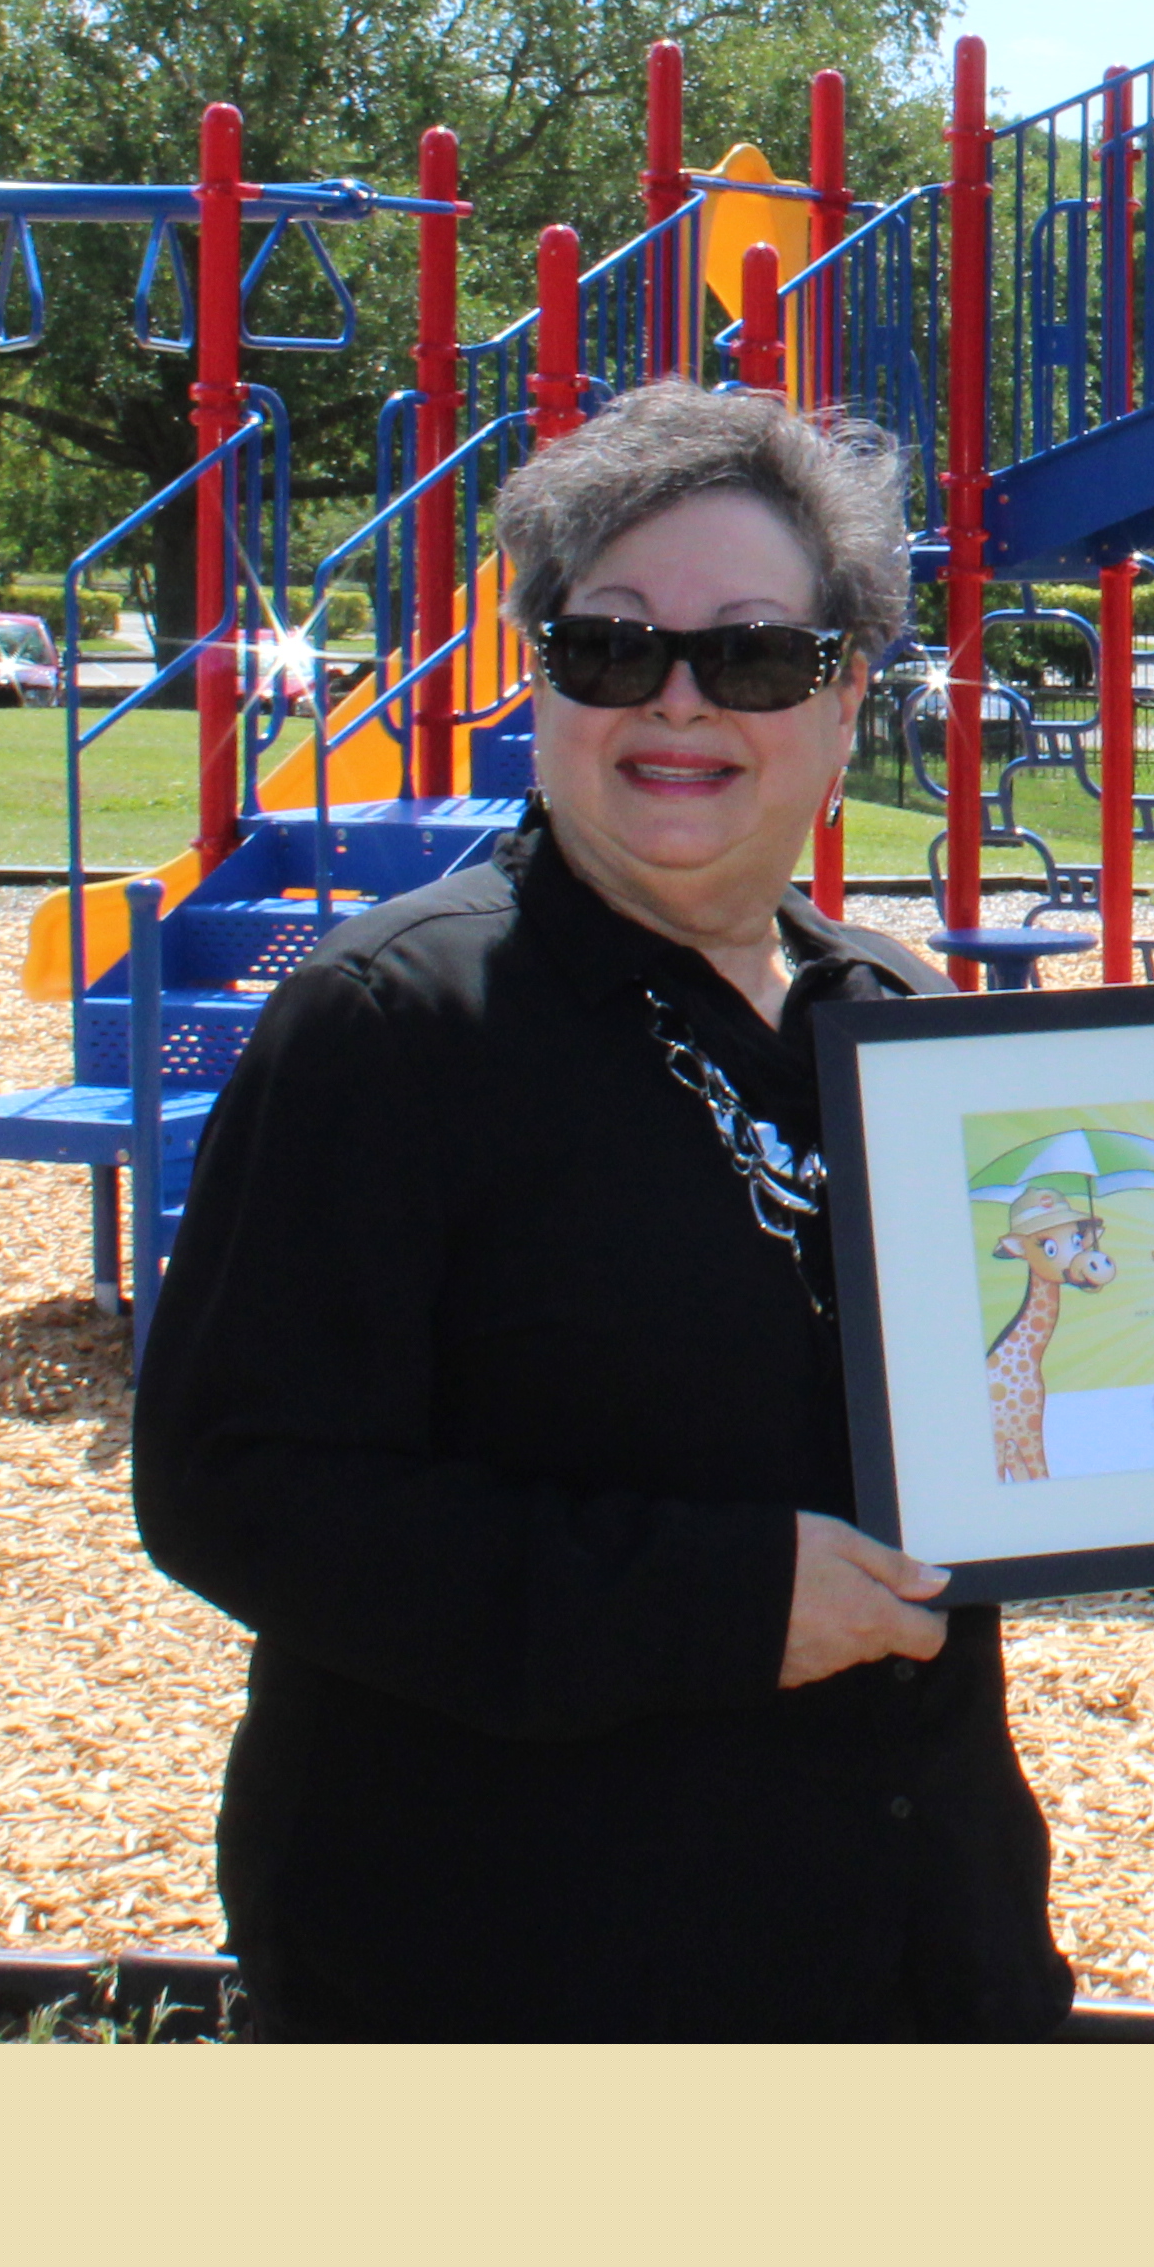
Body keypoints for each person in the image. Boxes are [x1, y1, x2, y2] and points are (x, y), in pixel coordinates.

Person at [130, 380, 1069, 2043]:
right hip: (508, 1971)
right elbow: (238, 1491)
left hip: (914, 1957)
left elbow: (1085, 1430)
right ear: (541, 683)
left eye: (756, 654)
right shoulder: (393, 1026)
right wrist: (719, 1603)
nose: (679, 700)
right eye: (611, 647)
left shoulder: (901, 1025)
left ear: (848, 698)